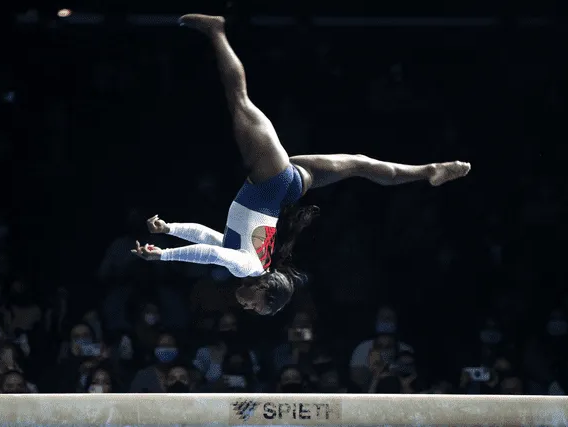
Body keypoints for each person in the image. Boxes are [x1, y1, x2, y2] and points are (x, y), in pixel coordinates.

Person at [132, 14, 471, 316]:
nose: (246, 306)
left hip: (287, 186)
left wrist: (170, 229)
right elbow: (211, 256)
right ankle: (216, 31)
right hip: (272, 180)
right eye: (255, 305)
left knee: (360, 164)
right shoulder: (247, 268)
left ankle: (428, 171)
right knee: (239, 99)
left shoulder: (252, 263)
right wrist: (162, 256)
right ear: (264, 289)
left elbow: (213, 239)